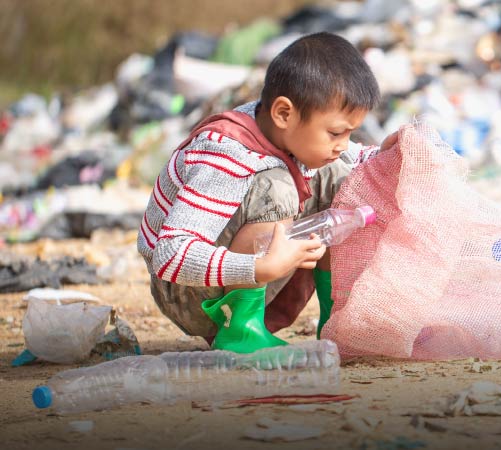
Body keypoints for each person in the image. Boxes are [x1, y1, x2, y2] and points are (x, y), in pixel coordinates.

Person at [137, 32, 396, 353]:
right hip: (187, 292)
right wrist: (259, 269)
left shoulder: (286, 132)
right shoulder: (226, 156)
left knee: (343, 176)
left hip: (255, 269)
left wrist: (390, 152)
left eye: (349, 133)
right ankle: (241, 331)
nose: (342, 144)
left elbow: (352, 158)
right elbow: (170, 255)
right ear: (284, 113)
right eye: (335, 133)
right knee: (275, 186)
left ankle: (337, 323)